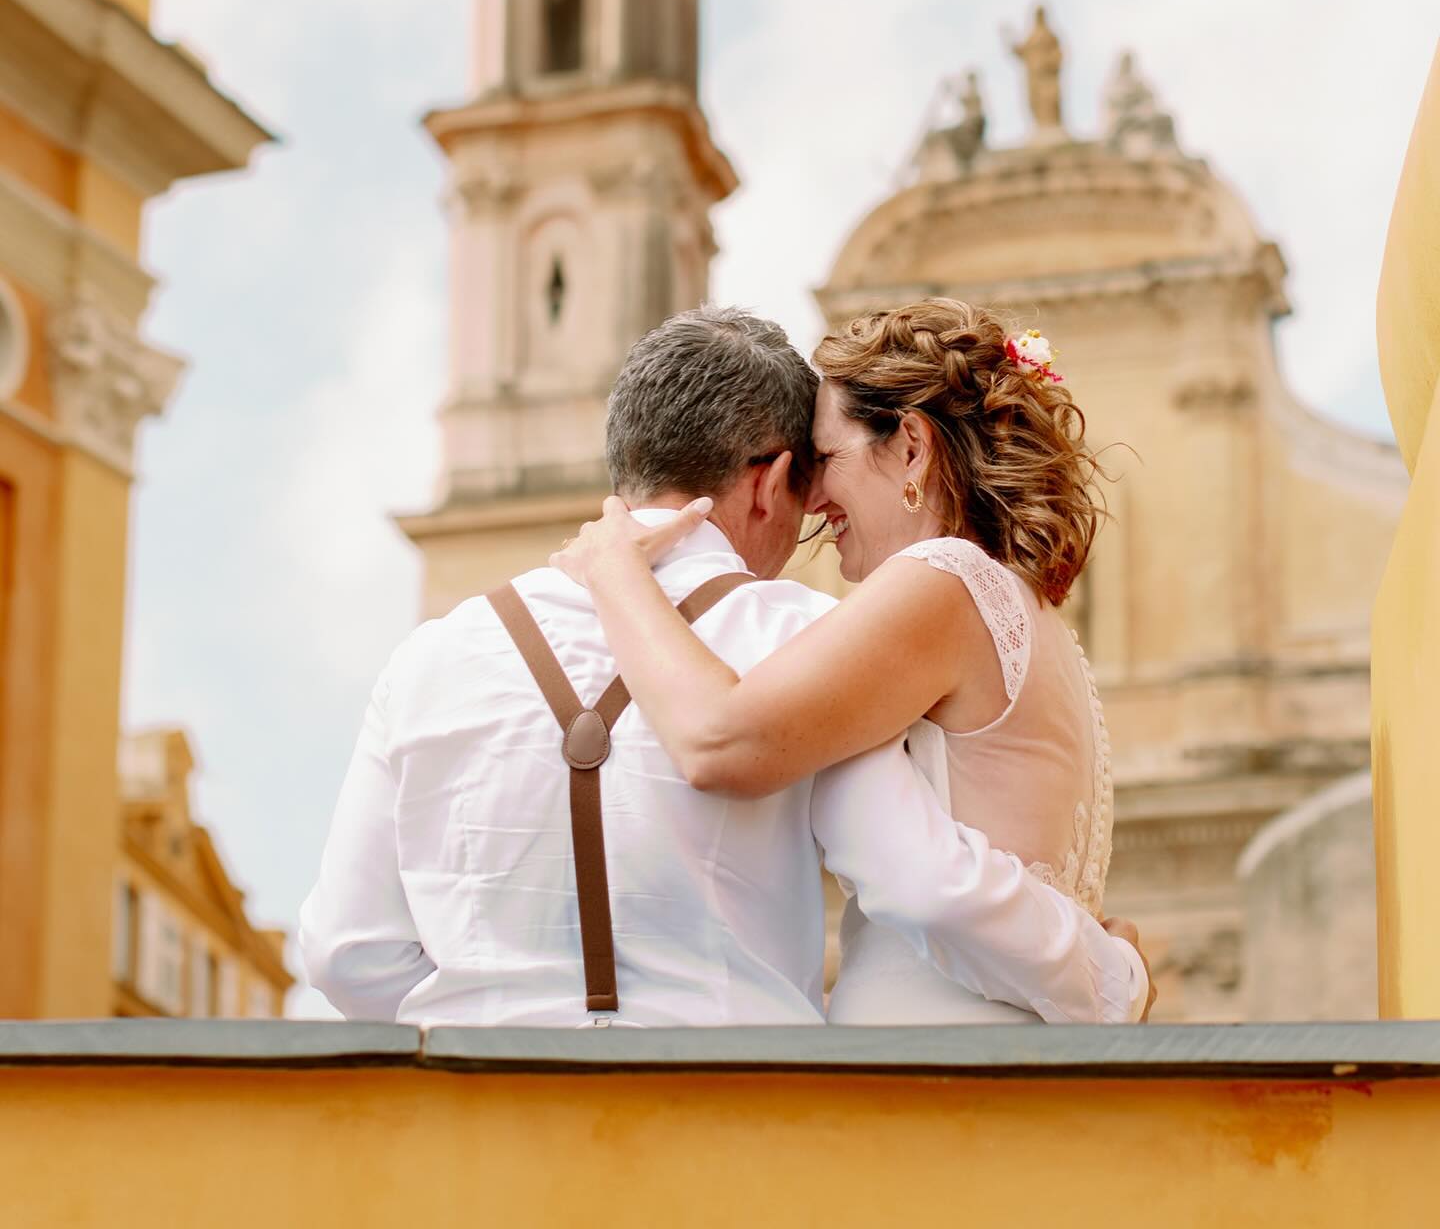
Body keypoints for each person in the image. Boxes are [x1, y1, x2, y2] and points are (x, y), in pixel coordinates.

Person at [301, 306, 1151, 1027]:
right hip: (739, 1122)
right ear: (768, 479)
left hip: (480, 1134)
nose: (817, 505)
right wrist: (1111, 973)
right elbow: (912, 869)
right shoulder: (805, 634)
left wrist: (500, 1024)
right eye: (808, 471)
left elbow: (345, 953)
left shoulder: (430, 657)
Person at [551, 298, 1133, 1024]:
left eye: (826, 459)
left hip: (930, 1072)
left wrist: (615, 571)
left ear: (912, 447)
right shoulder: (1028, 615)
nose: (815, 498)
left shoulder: (944, 579)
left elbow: (721, 739)